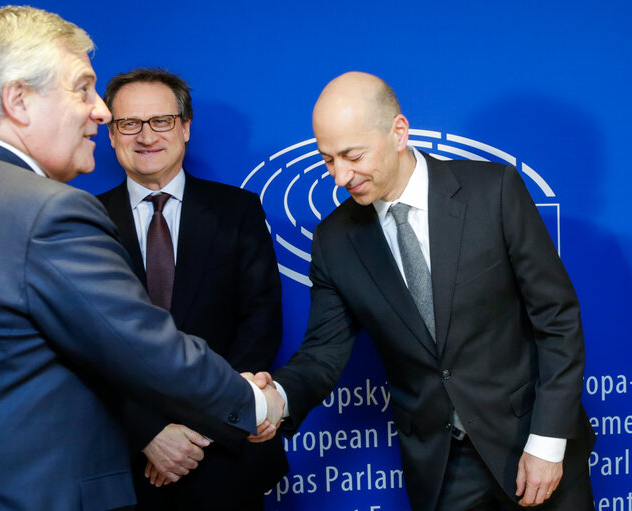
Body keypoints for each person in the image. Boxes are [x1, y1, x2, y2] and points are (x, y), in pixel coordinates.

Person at [0, 7, 283, 511]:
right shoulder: (46, 212)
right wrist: (257, 404)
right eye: (82, 89)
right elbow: (142, 346)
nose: (100, 111)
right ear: (18, 100)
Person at [252, 72, 595, 511]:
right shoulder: (334, 240)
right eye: (327, 160)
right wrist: (274, 399)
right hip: (442, 468)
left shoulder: (494, 191)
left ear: (398, 132)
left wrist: (548, 442)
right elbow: (322, 351)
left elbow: (558, 319)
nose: (340, 176)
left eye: (352, 155)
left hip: (533, 441)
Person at [96, 68, 288, 511]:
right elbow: (82, 347)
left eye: (161, 121)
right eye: (129, 123)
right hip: (122, 461)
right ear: (111, 134)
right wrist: (147, 433)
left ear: (185, 127)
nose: (146, 136)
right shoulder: (84, 221)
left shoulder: (236, 211)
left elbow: (260, 326)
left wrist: (197, 430)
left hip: (223, 454)